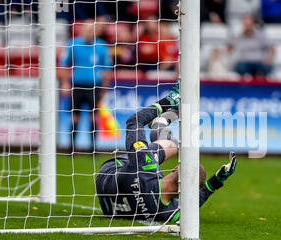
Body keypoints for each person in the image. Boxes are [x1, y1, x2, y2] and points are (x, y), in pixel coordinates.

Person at [95, 84, 237, 222]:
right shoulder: (169, 212)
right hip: (109, 205)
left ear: (176, 168)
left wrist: (168, 100)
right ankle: (160, 123)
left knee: (172, 145)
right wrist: (216, 181)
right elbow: (193, 205)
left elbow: (134, 121)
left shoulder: (144, 163)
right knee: (155, 152)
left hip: (109, 173)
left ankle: (160, 122)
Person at [59, 19, 113, 152]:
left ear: (95, 32)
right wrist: (65, 83)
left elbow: (107, 69)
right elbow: (63, 64)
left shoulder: (101, 46)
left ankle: (92, 149)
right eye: (87, 30)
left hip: (94, 86)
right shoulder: (73, 44)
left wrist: (104, 87)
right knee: (75, 117)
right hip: (76, 85)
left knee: (93, 117)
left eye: (91, 30)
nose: (89, 32)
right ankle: (71, 148)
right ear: (82, 30)